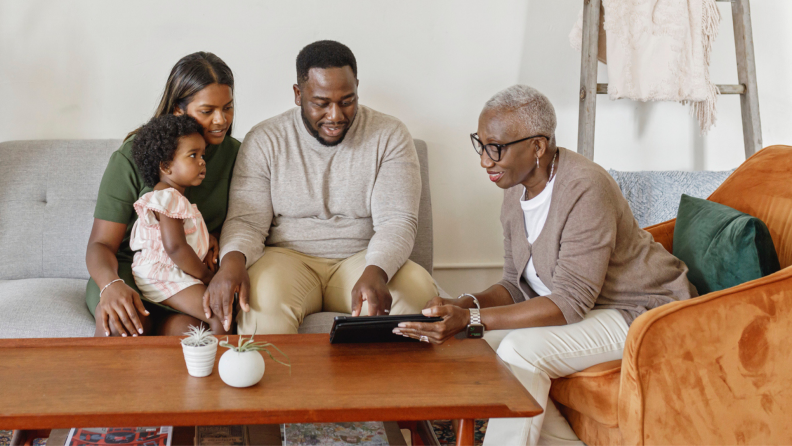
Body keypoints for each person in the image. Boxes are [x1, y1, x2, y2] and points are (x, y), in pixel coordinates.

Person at [395, 85, 698, 446]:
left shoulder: (585, 188)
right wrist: (464, 305)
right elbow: (514, 285)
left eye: (496, 148)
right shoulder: (514, 189)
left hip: (643, 311)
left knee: (518, 351)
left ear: (537, 146)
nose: (484, 160)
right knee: (479, 349)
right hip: (592, 310)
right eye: (481, 143)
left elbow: (569, 302)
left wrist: (473, 320)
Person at [207, 40, 438, 334]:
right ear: (298, 94)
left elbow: (397, 220)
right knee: (260, 308)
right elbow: (246, 220)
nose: (335, 116)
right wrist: (232, 261)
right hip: (287, 259)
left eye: (346, 101)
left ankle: (383, 381)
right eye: (321, 103)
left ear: (357, 88)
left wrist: (377, 269)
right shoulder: (265, 139)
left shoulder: (389, 135)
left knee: (416, 296)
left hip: (363, 258)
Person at [86, 52, 240, 337]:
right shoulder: (135, 153)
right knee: (126, 326)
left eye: (227, 108)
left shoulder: (236, 154)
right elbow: (100, 244)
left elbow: (245, 220)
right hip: (129, 271)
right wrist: (111, 285)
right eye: (207, 111)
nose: (221, 120)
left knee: (195, 334)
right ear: (179, 110)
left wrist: (213, 238)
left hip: (185, 276)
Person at [125, 114, 230, 337]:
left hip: (171, 272)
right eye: (193, 155)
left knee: (216, 312)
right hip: (163, 274)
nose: (202, 161)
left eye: (203, 155)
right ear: (165, 166)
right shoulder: (168, 197)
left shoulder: (172, 197)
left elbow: (186, 239)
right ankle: (226, 363)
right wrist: (207, 277)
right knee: (220, 313)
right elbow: (175, 247)